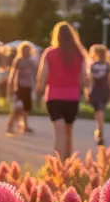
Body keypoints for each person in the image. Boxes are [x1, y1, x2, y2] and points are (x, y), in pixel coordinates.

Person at [37, 21, 88, 160]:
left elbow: (43, 75)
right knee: (68, 132)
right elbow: (84, 77)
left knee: (59, 133)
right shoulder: (79, 54)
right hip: (72, 98)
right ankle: (69, 165)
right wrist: (85, 91)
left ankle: (58, 167)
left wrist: (38, 91)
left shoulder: (50, 53)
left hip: (54, 97)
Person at [6, 42, 37, 135]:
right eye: (24, 50)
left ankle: (25, 125)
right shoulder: (19, 60)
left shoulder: (32, 61)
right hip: (20, 87)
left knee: (26, 108)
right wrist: (10, 86)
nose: (26, 52)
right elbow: (13, 73)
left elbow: (35, 73)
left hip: (28, 86)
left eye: (28, 50)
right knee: (18, 107)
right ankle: (10, 125)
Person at [88, 44, 110, 146]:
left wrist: (88, 92)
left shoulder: (93, 66)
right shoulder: (107, 65)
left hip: (95, 90)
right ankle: (99, 131)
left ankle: (99, 132)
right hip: (104, 90)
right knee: (100, 111)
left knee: (98, 112)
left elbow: (91, 81)